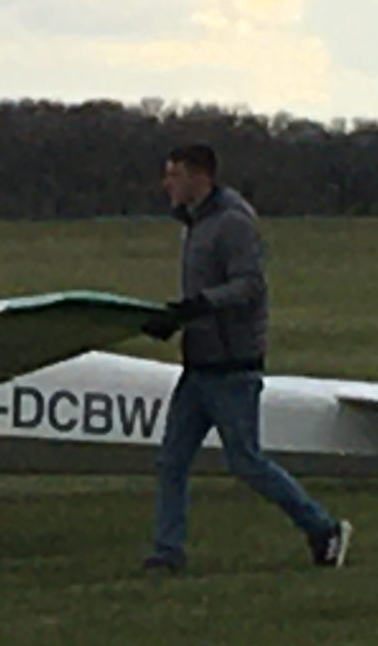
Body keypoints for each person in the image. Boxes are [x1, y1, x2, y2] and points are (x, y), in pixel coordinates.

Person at [140, 144, 351, 573]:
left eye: (174, 174)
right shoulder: (193, 224)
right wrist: (177, 318)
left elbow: (250, 286)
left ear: (200, 177)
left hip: (232, 366)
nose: (167, 184)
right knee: (171, 461)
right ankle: (167, 554)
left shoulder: (232, 223)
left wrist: (198, 306)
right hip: (198, 365)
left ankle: (323, 528)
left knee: (246, 462)